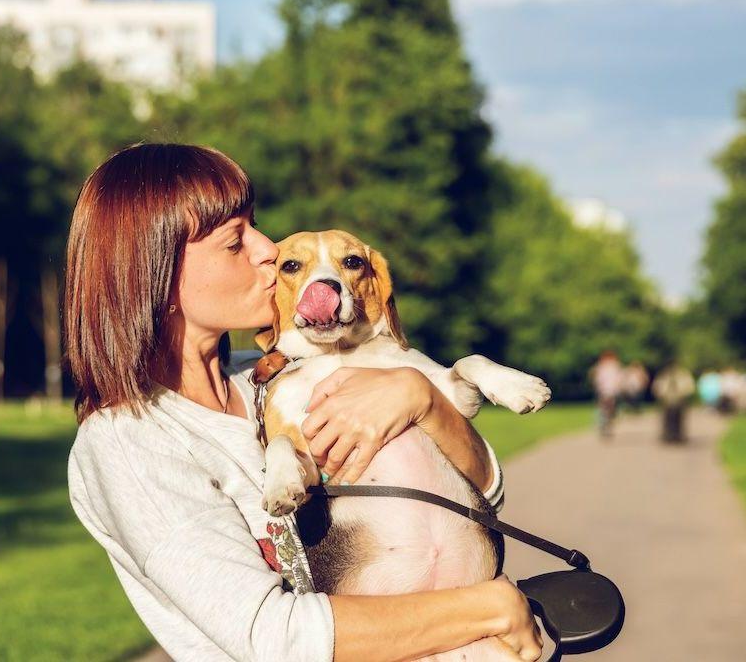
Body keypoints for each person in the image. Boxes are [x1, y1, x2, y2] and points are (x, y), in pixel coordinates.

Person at [63, 143, 542, 662]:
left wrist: (421, 397)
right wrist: (487, 608)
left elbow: (482, 501)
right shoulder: (129, 441)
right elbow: (273, 639)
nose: (268, 248)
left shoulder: (275, 381)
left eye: (256, 225)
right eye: (234, 241)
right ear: (157, 275)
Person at [651, 363, 695, 444]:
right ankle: (668, 435)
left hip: (679, 400)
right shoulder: (664, 376)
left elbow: (689, 387)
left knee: (679, 420)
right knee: (668, 419)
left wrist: (683, 393)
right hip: (668, 400)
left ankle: (678, 435)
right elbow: (658, 387)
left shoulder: (682, 375)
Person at [589, 350, 624, 439]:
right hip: (609, 390)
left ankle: (603, 423)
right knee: (608, 409)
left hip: (606, 390)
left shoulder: (603, 366)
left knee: (605, 408)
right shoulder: (613, 366)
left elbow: (596, 378)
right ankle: (605, 423)